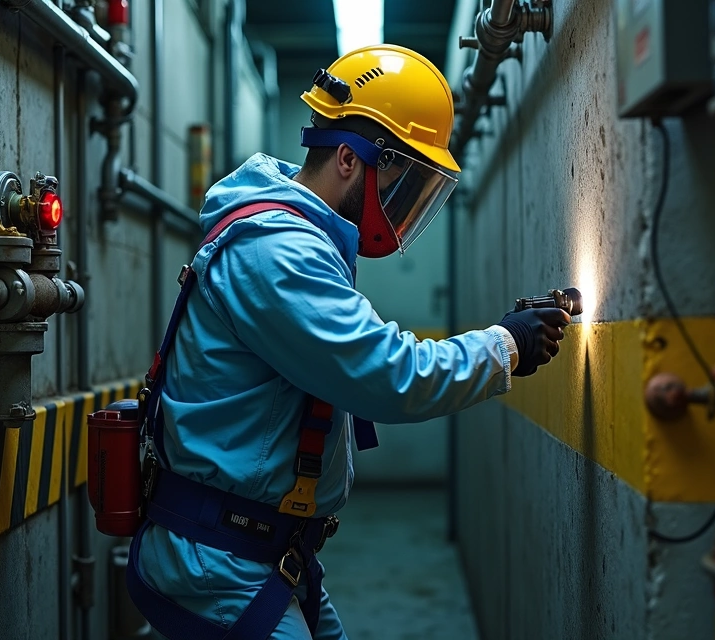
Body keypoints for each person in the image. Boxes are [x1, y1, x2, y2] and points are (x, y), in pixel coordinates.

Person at [126, 44, 571, 640]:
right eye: (401, 179)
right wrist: (506, 344)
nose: (402, 201)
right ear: (347, 158)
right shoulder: (278, 252)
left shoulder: (293, 237)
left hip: (258, 550)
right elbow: (388, 375)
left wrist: (507, 340)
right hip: (220, 563)